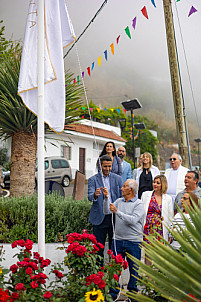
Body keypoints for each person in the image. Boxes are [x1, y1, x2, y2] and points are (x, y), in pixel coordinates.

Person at [109, 179, 144, 301]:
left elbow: (133, 220)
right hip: (117, 240)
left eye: (124, 187)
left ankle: (132, 296)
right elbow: (106, 210)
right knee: (114, 269)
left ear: (130, 190)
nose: (121, 188)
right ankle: (113, 295)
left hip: (133, 242)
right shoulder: (118, 201)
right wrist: (105, 198)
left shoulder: (139, 204)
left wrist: (117, 212)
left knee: (134, 270)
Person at [88, 155, 123, 259]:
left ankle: (114, 271)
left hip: (114, 217)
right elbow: (89, 197)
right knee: (98, 249)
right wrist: (95, 194)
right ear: (100, 166)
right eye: (105, 166)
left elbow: (122, 197)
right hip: (100, 218)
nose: (107, 169)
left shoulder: (118, 179)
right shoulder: (93, 179)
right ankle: (99, 273)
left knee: (115, 248)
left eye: (109, 166)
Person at [141, 175, 173, 265]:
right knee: (148, 252)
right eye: (154, 182)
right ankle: (148, 275)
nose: (155, 184)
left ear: (163, 184)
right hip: (148, 227)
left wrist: (170, 232)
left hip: (161, 228)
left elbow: (170, 216)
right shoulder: (146, 195)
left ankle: (159, 275)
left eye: (158, 183)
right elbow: (141, 212)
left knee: (161, 253)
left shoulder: (168, 198)